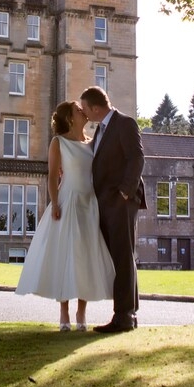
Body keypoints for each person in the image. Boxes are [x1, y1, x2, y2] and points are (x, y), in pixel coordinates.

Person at [15, 100, 114, 330]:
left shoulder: (93, 143)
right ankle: (63, 312)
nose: (84, 111)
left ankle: (81, 313)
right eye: (79, 110)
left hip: (89, 204)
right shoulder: (58, 143)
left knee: (85, 257)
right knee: (65, 256)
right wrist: (55, 203)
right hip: (67, 201)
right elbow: (51, 176)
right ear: (70, 117)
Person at [82, 85, 145, 333]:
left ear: (96, 108)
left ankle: (123, 317)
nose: (85, 115)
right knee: (121, 257)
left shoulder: (124, 124)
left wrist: (124, 192)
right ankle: (128, 314)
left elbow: (137, 158)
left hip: (121, 203)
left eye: (86, 110)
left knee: (122, 257)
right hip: (106, 203)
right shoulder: (99, 131)